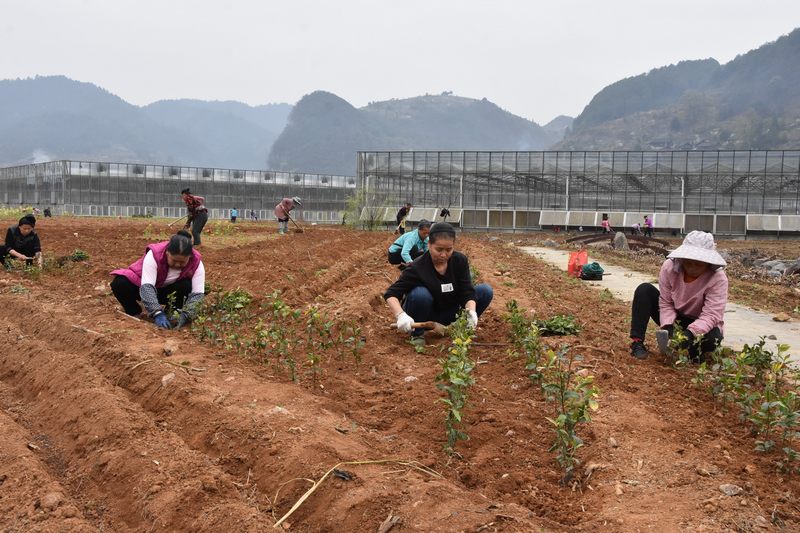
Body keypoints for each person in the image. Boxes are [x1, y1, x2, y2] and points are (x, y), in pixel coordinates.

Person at [384, 222, 493, 345]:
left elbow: (467, 291)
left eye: (448, 250)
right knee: (420, 294)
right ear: (429, 245)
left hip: (451, 312)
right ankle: (417, 334)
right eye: (439, 249)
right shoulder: (418, 267)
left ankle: (461, 329)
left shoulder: (459, 261)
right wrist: (400, 315)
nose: (443, 254)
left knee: (485, 291)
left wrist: (471, 311)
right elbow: (392, 293)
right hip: (425, 315)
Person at [629, 231, 728, 361]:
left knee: (713, 338)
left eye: (698, 263)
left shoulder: (718, 278)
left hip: (701, 323)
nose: (692, 267)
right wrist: (668, 325)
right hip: (676, 318)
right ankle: (637, 343)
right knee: (644, 290)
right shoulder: (669, 268)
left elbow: (711, 315)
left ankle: (691, 352)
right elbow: (666, 302)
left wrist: (690, 334)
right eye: (688, 262)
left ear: (708, 262)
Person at [110, 230, 205, 330]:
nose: (177, 264)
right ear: (167, 252)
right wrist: (157, 313)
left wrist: (187, 314)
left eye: (182, 262)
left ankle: (171, 313)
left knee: (186, 286)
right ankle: (134, 311)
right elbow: (147, 287)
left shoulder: (197, 262)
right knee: (120, 283)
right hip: (144, 289)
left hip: (168, 293)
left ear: (189, 257)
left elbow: (197, 294)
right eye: (174, 260)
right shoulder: (155, 254)